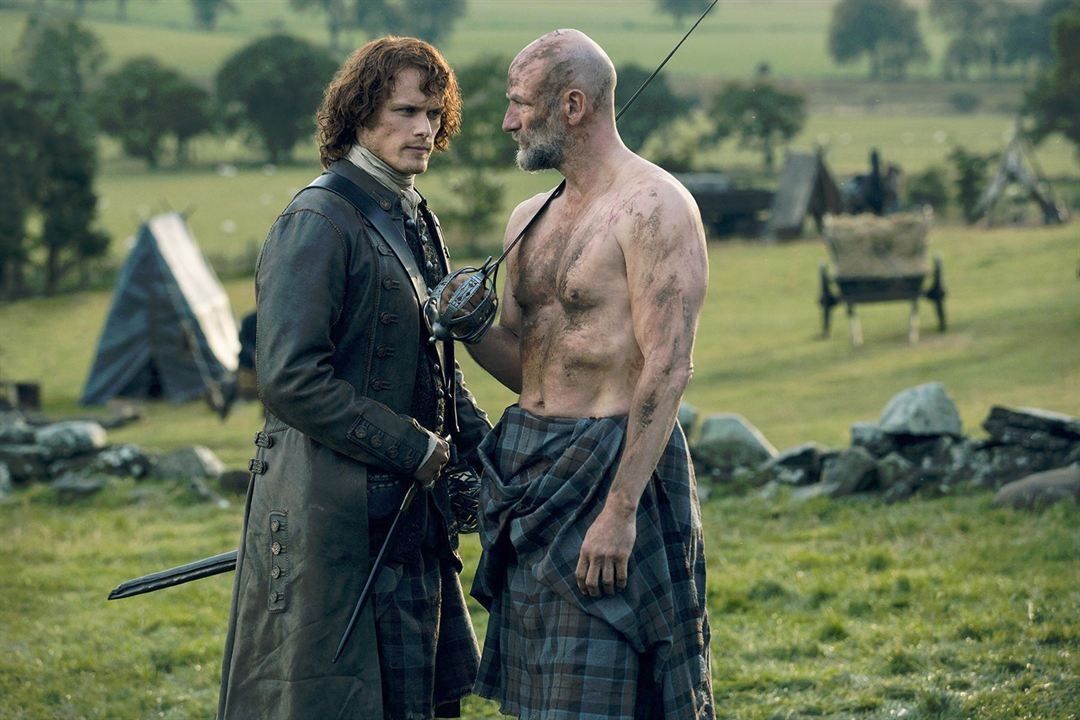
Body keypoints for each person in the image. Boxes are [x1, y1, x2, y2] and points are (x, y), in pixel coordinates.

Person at [217, 37, 491, 720]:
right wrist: (410, 446)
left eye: (434, 114)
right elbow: (289, 379)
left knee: (424, 704)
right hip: (335, 520)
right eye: (406, 111)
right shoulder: (316, 220)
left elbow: (434, 361)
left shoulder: (413, 213)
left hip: (411, 517)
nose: (424, 129)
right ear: (361, 114)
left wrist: (491, 452)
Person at [460, 28, 714, 720]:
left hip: (611, 467)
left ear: (572, 106)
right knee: (540, 698)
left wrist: (620, 511)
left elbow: (669, 364)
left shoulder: (654, 207)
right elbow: (529, 368)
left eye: (520, 103)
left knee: (611, 694)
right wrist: (470, 328)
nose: (508, 121)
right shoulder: (528, 219)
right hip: (529, 471)